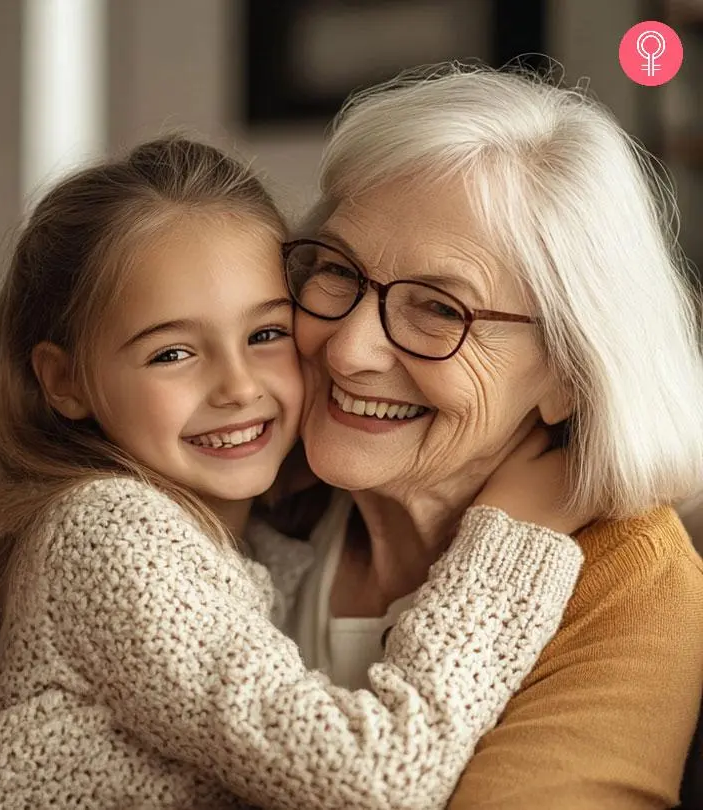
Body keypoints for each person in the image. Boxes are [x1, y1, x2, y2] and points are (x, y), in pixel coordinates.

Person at [0, 135, 584, 809]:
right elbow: (375, 780)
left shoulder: (266, 546)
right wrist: (509, 542)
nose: (238, 387)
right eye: (173, 352)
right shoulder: (107, 534)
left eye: (266, 334)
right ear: (66, 382)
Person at [279, 64, 703, 809]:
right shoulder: (244, 485)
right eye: (338, 270)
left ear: (569, 371)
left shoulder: (628, 579)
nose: (347, 350)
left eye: (441, 311)